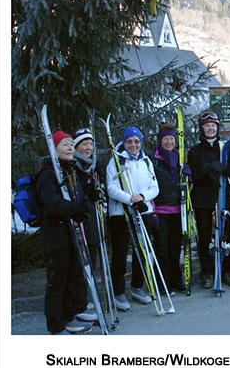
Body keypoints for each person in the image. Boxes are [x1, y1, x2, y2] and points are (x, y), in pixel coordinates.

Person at [35, 130, 95, 334]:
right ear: (54, 149)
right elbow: (53, 204)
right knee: (57, 281)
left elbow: (78, 199)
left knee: (71, 276)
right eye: (65, 145)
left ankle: (69, 317)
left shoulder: (70, 171)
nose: (70, 147)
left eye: (71, 144)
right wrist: (75, 209)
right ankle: (56, 325)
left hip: (71, 233)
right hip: (56, 235)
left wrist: (86, 203)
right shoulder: (47, 174)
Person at [106, 126, 159, 311]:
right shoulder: (117, 160)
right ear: (124, 143)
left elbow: (155, 187)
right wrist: (129, 198)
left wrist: (142, 197)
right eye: (129, 141)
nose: (133, 145)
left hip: (143, 211)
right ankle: (118, 292)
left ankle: (137, 286)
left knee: (142, 253)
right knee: (120, 254)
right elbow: (111, 188)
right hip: (121, 213)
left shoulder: (146, 161)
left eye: (136, 141)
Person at [188, 112, 230, 289]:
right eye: (207, 125)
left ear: (218, 128)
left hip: (222, 194)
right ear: (202, 128)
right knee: (205, 235)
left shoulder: (225, 148)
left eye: (213, 125)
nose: (211, 128)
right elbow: (193, 174)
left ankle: (227, 269)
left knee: (225, 233)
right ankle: (208, 271)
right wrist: (209, 167)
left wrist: (223, 168)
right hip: (203, 199)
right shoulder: (195, 151)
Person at [72, 128, 103, 323]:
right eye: (84, 144)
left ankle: (83, 299)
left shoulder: (92, 167)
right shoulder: (73, 167)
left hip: (92, 221)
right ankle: (78, 304)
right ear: (76, 147)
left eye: (91, 144)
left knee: (92, 260)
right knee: (80, 263)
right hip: (80, 222)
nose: (88, 148)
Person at [150, 123, 185, 295]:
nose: (169, 142)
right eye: (166, 139)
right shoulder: (154, 160)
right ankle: (163, 283)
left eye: (172, 139)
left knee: (175, 248)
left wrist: (188, 175)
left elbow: (185, 184)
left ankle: (176, 280)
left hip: (178, 210)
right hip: (161, 211)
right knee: (162, 249)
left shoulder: (180, 158)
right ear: (160, 141)